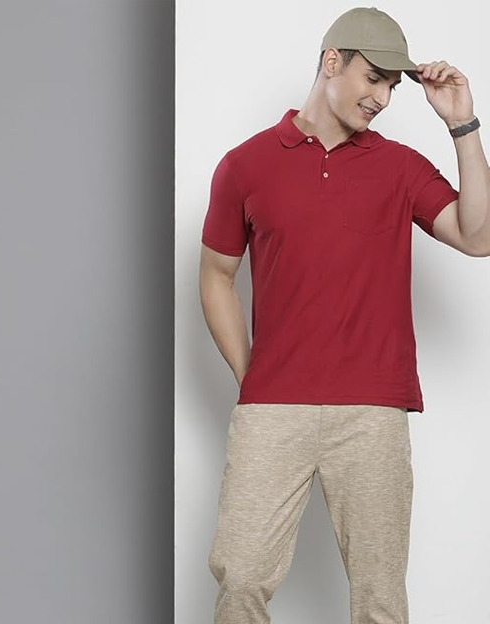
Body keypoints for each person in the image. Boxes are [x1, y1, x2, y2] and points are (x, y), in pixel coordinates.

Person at [199, 7, 488, 624]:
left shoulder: (400, 167)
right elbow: (217, 275)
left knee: (379, 597)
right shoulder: (245, 164)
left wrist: (462, 125)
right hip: (273, 407)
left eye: (392, 86)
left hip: (373, 412)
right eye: (373, 78)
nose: (382, 98)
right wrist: (252, 374)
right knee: (241, 576)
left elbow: (478, 236)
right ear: (332, 61)